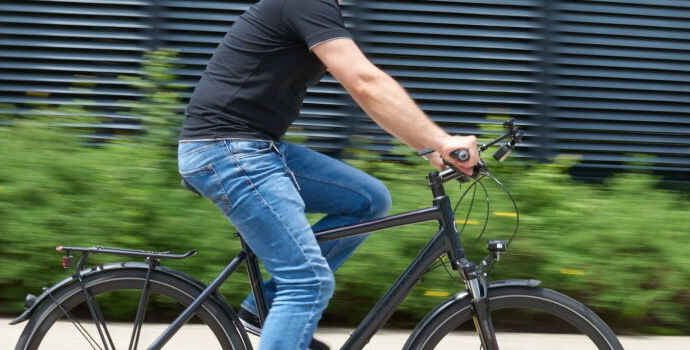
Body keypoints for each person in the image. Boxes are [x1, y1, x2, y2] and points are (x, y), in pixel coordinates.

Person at [176, 0, 481, 348]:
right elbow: (364, 82)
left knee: (369, 200)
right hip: (229, 150)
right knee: (307, 282)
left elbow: (366, 86)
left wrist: (430, 148)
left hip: (255, 147)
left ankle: (267, 308)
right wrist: (439, 141)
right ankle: (286, 302)